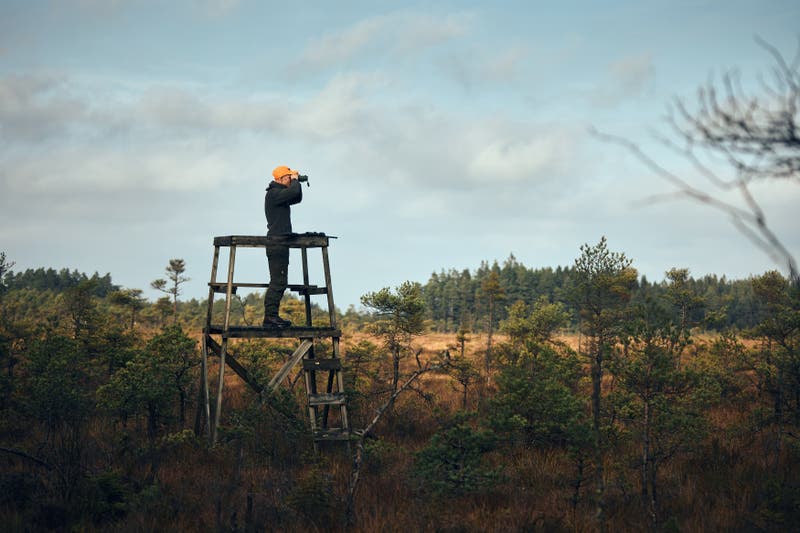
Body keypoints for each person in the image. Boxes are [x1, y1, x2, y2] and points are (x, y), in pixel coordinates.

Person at [263, 165, 303, 328]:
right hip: (276, 242)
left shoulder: (279, 194)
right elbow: (293, 192)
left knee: (280, 281)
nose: (289, 181)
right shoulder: (274, 194)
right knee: (278, 282)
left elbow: (297, 197)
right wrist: (295, 181)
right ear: (279, 179)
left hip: (281, 242)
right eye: (287, 178)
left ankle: (272, 317)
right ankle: (270, 317)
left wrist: (295, 182)